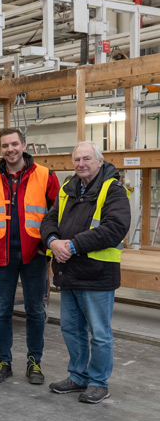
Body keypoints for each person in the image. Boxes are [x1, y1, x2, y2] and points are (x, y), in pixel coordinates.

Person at [41, 142, 130, 404]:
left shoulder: (113, 190)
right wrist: (53, 242)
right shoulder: (69, 189)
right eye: (77, 159)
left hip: (97, 274)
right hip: (69, 272)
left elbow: (115, 227)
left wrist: (72, 245)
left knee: (99, 333)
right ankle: (78, 376)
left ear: (100, 162)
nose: (81, 164)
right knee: (71, 328)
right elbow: (48, 220)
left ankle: (98, 382)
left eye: (87, 159)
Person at [0, 128, 60, 385]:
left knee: (35, 311)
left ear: (24, 145)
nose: (10, 149)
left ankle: (34, 362)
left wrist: (51, 244)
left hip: (35, 255)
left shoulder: (46, 176)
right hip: (2, 256)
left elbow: (58, 214)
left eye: (14, 144)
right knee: (1, 312)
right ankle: (3, 360)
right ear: (1, 149)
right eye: (4, 146)